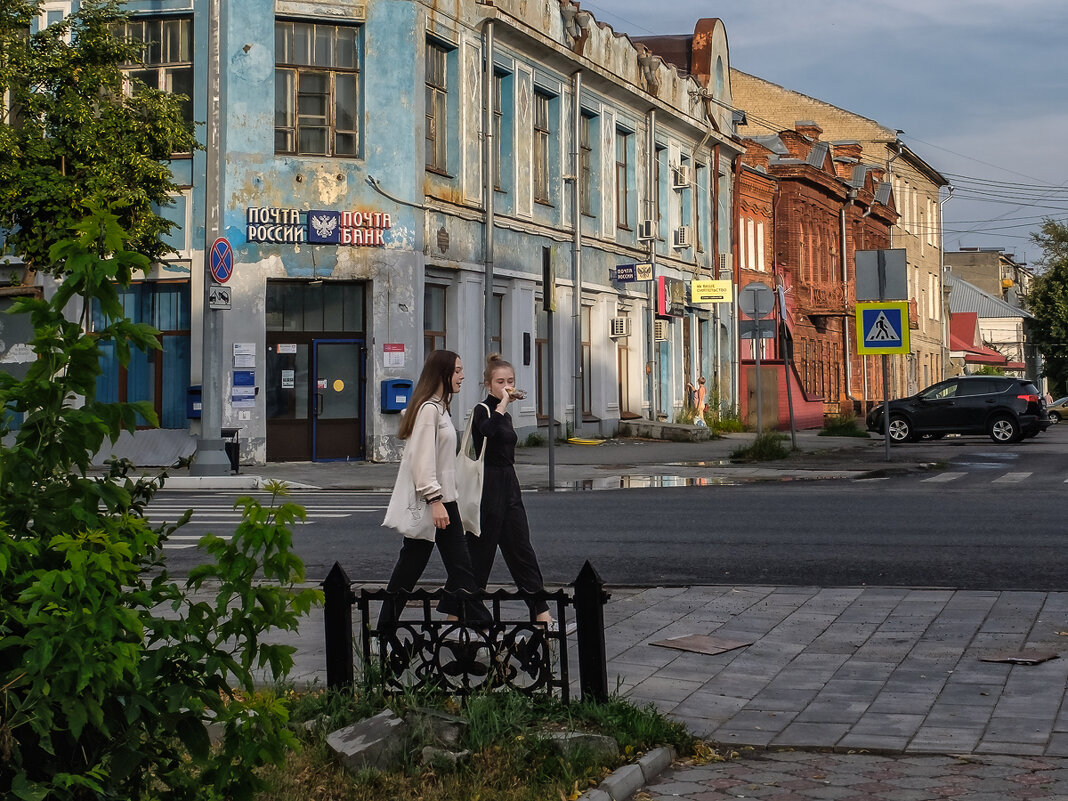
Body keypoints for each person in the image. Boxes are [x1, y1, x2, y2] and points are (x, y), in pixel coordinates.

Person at [378, 350, 490, 627]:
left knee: (417, 570)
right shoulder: (429, 409)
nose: (463, 376)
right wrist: (435, 499)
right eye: (458, 371)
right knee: (457, 570)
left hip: (443, 501)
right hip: (438, 503)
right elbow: (421, 459)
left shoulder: (439, 408)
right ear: (442, 374)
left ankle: (383, 632)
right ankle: (491, 632)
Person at [465, 354, 553, 626]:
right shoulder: (484, 409)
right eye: (500, 382)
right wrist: (503, 403)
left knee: (521, 549)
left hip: (508, 483)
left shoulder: (505, 414)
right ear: (488, 384)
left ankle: (542, 614)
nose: (506, 386)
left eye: (510, 381)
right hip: (488, 485)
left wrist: (505, 405)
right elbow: (488, 432)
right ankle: (458, 613)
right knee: (480, 552)